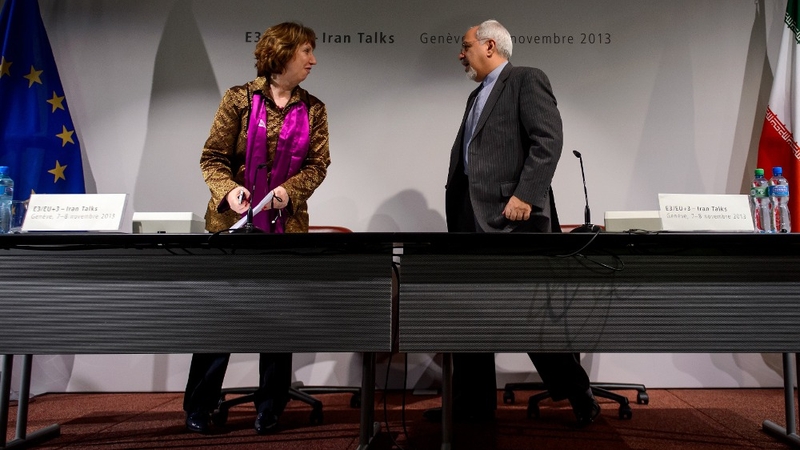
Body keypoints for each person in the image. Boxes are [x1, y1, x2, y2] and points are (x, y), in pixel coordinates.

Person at [426, 19, 600, 427]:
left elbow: (548, 140)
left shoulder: (525, 79)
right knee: (470, 313)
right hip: (471, 218)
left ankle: (579, 395)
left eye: (465, 46)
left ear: (489, 46)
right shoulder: (475, 96)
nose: (460, 53)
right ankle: (473, 403)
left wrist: (526, 194)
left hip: (514, 218)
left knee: (529, 314)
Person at [183, 21, 331, 435]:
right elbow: (211, 157)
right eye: (306, 52)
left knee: (277, 318)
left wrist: (290, 191)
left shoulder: (314, 108)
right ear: (283, 54)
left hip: (286, 228)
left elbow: (318, 165)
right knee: (220, 319)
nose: (313, 60)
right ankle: (200, 404)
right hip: (233, 226)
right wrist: (229, 191)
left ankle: (272, 404)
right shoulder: (239, 99)